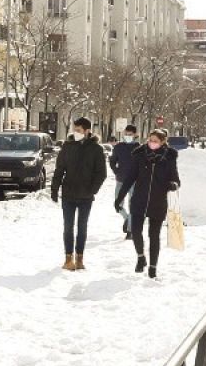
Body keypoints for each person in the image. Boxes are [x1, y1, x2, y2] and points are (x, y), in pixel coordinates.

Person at [115, 128, 181, 279]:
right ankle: (140, 257)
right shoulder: (139, 155)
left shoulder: (169, 157)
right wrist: (120, 197)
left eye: (155, 141)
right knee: (136, 231)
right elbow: (130, 178)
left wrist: (173, 184)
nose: (152, 143)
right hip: (139, 200)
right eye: (150, 140)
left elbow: (176, 179)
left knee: (154, 236)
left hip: (158, 202)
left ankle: (153, 267)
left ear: (163, 142)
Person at [51, 116, 108, 271]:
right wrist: (54, 189)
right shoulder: (67, 147)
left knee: (82, 227)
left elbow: (101, 173)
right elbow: (59, 169)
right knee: (68, 227)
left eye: (79, 130)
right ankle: (68, 258)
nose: (75, 133)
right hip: (68, 194)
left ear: (87, 131)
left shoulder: (96, 149)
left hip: (86, 197)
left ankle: (80, 258)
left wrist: (92, 190)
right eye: (74, 130)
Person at [109, 124, 140, 238]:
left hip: (134, 182)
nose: (127, 136)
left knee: (132, 205)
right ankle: (127, 218)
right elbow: (112, 161)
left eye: (130, 134)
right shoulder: (119, 147)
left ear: (135, 135)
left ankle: (130, 231)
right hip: (121, 180)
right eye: (126, 134)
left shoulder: (139, 148)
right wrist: (117, 171)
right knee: (118, 205)